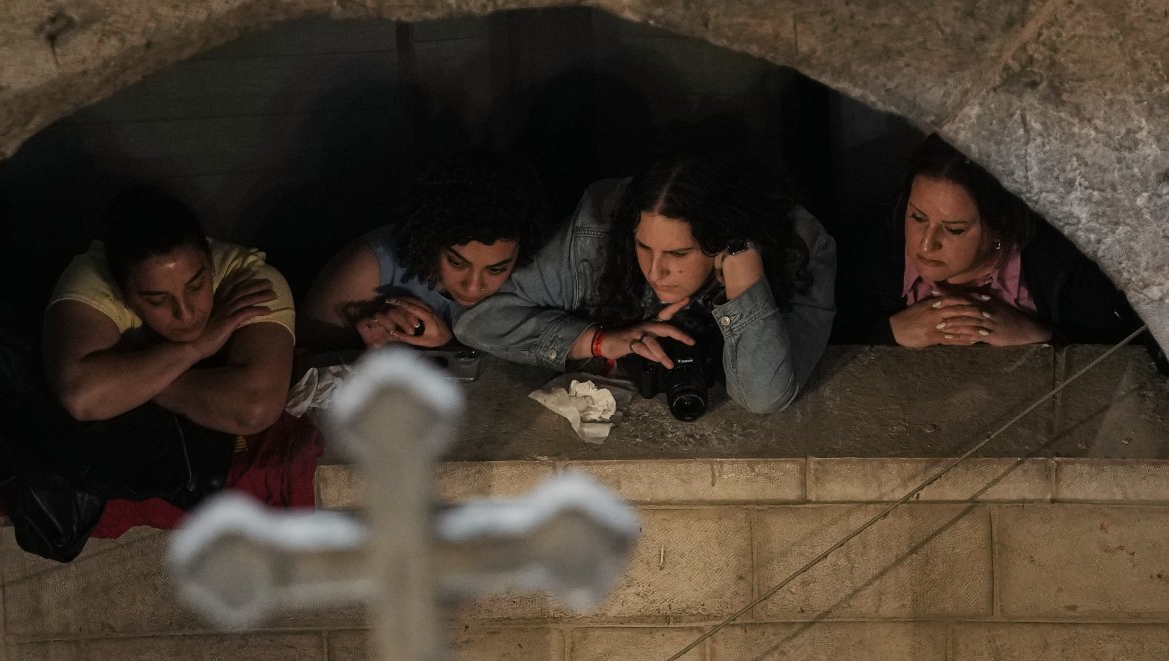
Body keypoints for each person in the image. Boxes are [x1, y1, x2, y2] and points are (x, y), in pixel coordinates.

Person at [455, 155, 837, 414]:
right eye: (643, 246)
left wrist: (745, 282)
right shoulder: (597, 231)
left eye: (678, 253)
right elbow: (476, 318)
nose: (655, 271)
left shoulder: (799, 249)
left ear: (720, 242)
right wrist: (597, 340)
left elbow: (763, 395)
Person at [835, 135, 1142, 347]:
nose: (926, 245)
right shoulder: (869, 248)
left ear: (1001, 225)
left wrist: (1041, 336)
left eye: (954, 230)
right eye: (917, 217)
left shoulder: (1066, 268)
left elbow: (1125, 360)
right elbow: (826, 346)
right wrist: (889, 333)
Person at [43, 186, 295, 436]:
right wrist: (196, 348)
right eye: (157, 300)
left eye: (196, 286)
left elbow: (253, 408)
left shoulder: (247, 279)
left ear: (210, 263)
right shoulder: (93, 279)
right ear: (122, 291)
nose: (185, 314)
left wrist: (127, 382)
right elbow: (82, 397)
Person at [298, 152, 544, 351]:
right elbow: (302, 355)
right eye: (456, 263)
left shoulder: (534, 278)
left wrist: (447, 349)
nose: (472, 287)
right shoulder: (369, 267)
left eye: (497, 269)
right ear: (431, 238)